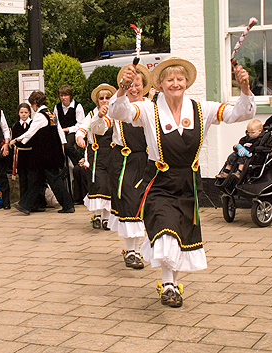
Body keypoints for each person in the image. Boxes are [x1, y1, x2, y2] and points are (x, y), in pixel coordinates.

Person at [110, 56, 256, 307]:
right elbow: (118, 111)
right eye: (169, 79)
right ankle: (168, 283)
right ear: (161, 84)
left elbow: (238, 113)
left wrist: (244, 89)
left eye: (179, 79)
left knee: (180, 235)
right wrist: (123, 88)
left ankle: (171, 284)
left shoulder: (203, 109)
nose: (175, 83)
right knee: (166, 232)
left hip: (188, 183)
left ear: (186, 82)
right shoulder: (148, 109)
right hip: (159, 182)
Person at [91, 65, 151, 270]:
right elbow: (98, 129)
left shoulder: (151, 107)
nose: (134, 89)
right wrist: (99, 116)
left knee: (143, 205)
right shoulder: (116, 107)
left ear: (145, 87)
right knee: (129, 202)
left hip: (146, 162)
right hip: (123, 163)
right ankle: (131, 250)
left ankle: (138, 248)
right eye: (131, 85)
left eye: (138, 85)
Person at [10, 90, 75, 215]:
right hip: (51, 154)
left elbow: (30, 132)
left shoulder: (40, 116)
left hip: (43, 155)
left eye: (32, 105)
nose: (32, 109)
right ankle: (26, 205)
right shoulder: (51, 114)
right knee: (37, 179)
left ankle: (68, 205)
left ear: (35, 103)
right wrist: (62, 147)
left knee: (53, 180)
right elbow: (59, 131)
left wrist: (17, 140)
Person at [76, 84, 116, 230]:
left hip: (112, 155)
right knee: (97, 184)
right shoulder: (92, 114)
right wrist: (80, 137)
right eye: (101, 98)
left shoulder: (117, 114)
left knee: (109, 186)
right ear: (97, 101)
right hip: (96, 155)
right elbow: (83, 127)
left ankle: (107, 218)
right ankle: (97, 215)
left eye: (108, 97)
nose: (105, 100)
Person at [53, 85, 85, 202]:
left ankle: (79, 161)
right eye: (61, 95)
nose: (63, 98)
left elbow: (80, 124)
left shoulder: (77, 106)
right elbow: (56, 122)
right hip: (61, 132)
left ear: (70, 96)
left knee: (68, 145)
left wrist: (67, 129)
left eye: (65, 95)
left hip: (73, 131)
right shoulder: (57, 107)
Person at [11, 103, 33, 200]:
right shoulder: (15, 126)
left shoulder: (33, 124)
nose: (23, 114)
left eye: (26, 112)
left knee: (31, 178)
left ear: (29, 113)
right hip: (20, 154)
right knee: (22, 178)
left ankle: (33, 201)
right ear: (18, 113)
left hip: (31, 153)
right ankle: (23, 200)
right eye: (21, 112)